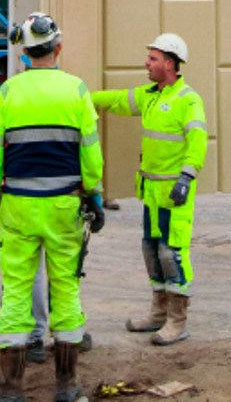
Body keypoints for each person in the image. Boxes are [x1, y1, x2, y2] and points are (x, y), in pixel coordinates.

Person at [0, 13, 105, 402]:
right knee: (66, 289)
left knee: (16, 288)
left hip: (18, 208)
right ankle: (66, 385)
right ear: (58, 48)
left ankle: (10, 386)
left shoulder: (8, 93)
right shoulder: (77, 91)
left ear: (25, 53)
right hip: (65, 206)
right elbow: (91, 157)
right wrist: (94, 197)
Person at [90, 33, 206, 346]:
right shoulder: (149, 95)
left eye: (153, 59)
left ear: (170, 63)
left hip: (174, 193)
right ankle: (158, 314)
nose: (147, 63)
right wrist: (79, 98)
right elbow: (115, 100)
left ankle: (177, 321)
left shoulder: (188, 100)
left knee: (172, 254)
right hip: (152, 192)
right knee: (152, 251)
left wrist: (186, 177)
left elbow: (198, 142)